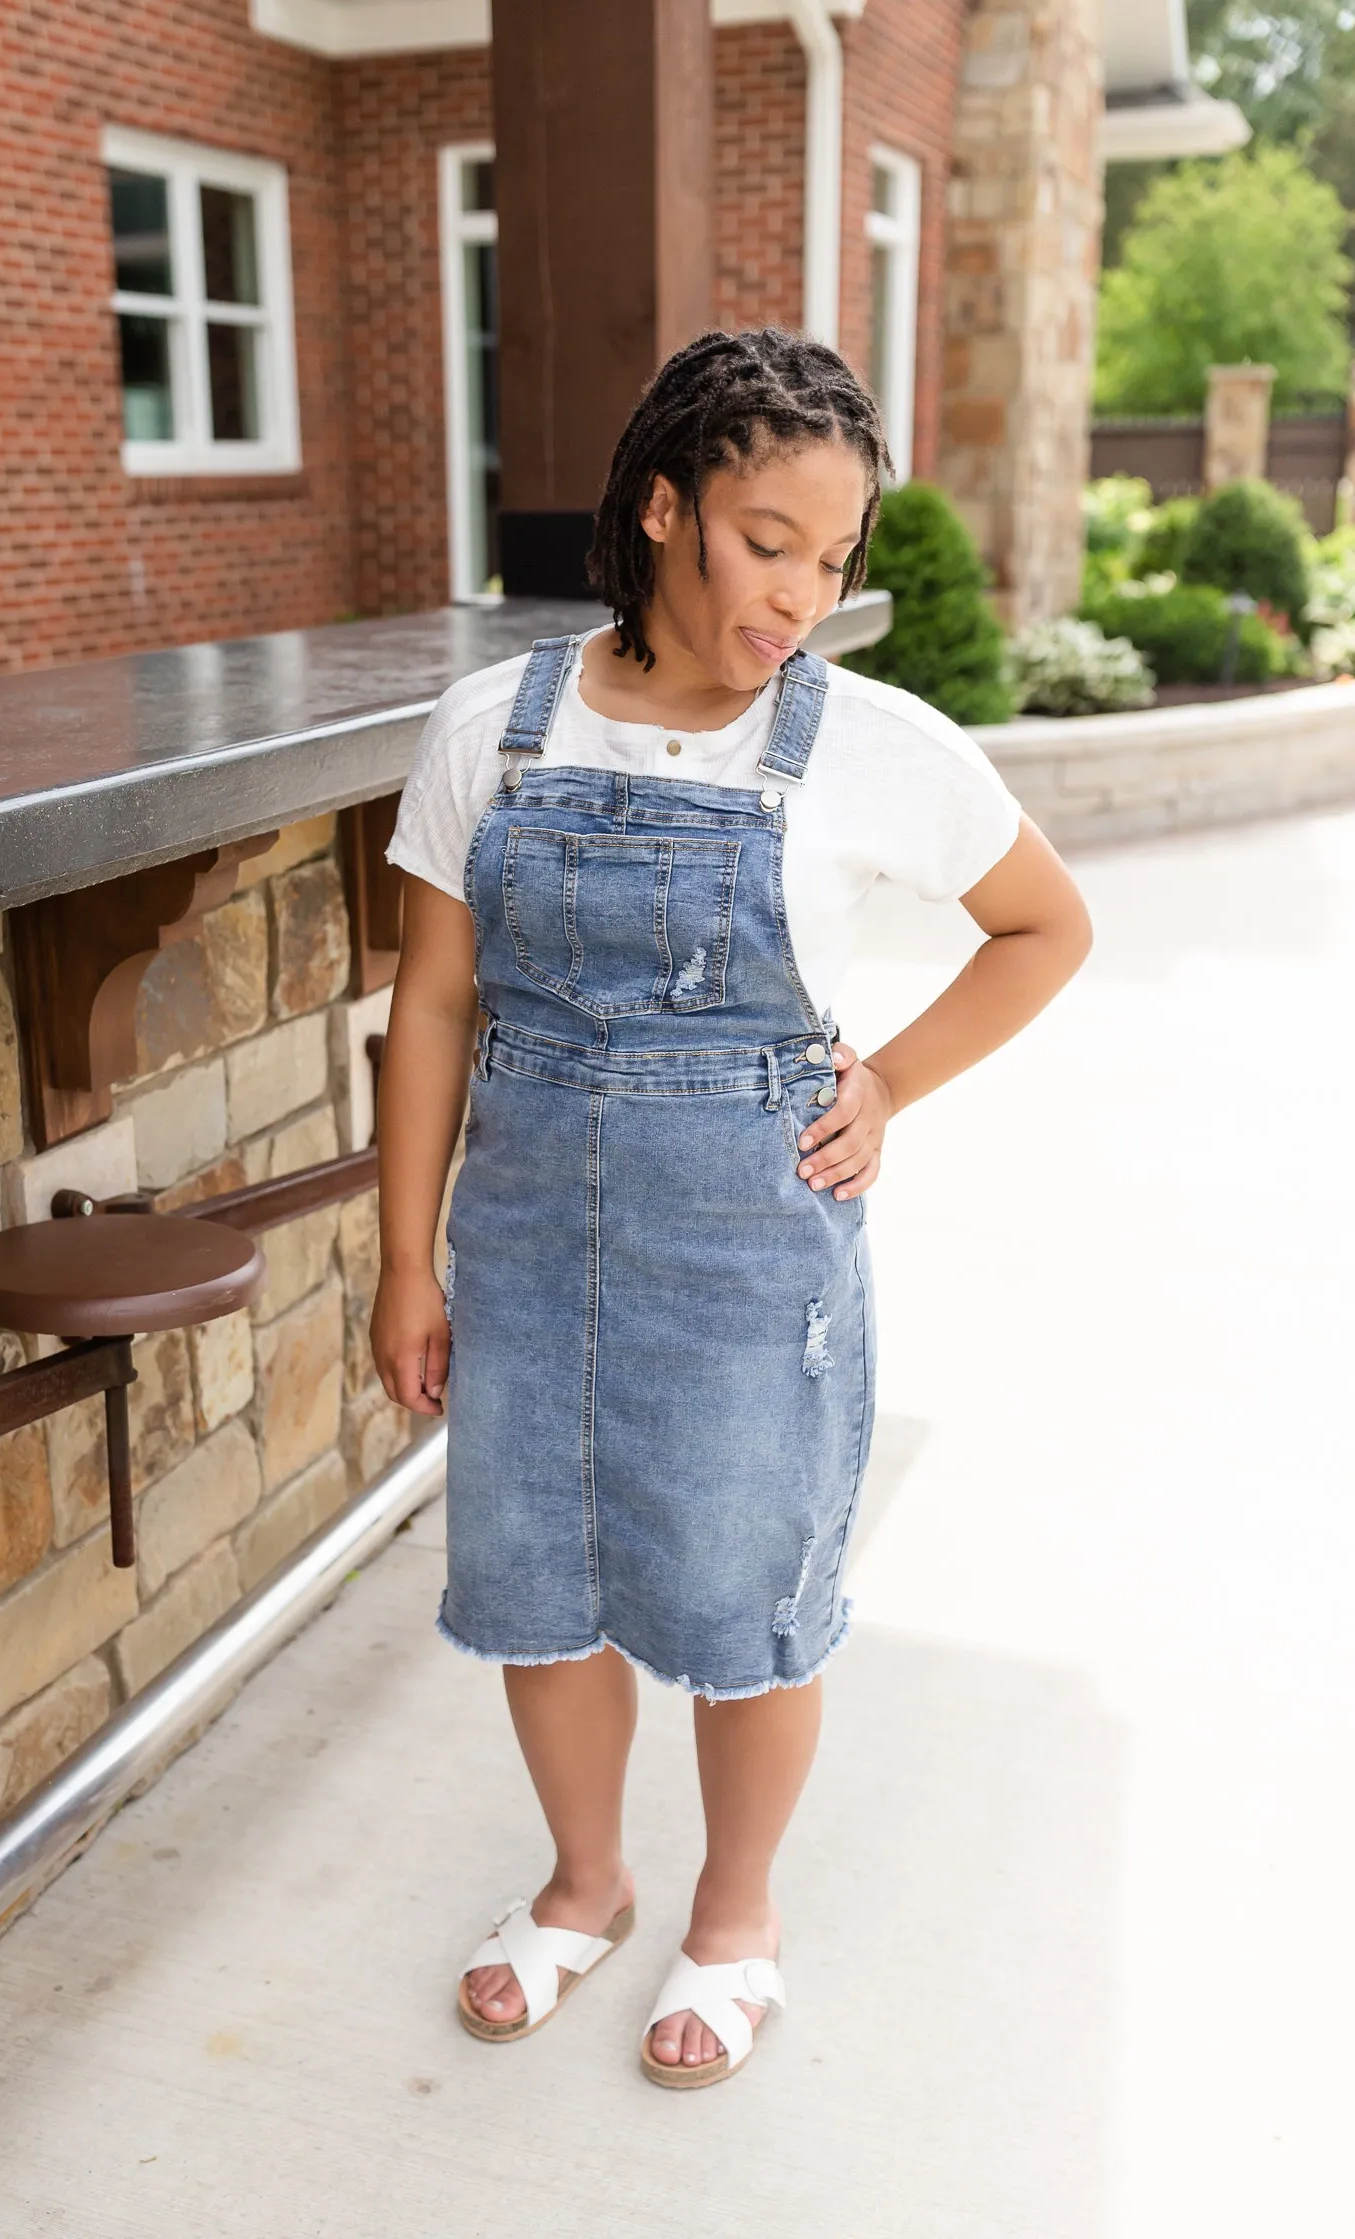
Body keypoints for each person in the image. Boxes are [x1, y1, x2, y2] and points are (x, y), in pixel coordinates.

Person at [371, 327, 1092, 2090]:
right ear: (663, 505)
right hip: (526, 1236)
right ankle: (586, 1884)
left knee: (741, 1599)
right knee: (538, 1583)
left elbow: (1045, 926)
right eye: (769, 540)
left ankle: (735, 1919)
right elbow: (435, 1006)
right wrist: (406, 1258)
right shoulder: (496, 725)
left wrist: (892, 1083)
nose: (800, 592)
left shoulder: (868, 744)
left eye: (832, 559)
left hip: (743, 1246)